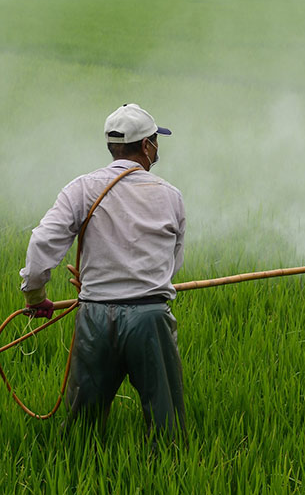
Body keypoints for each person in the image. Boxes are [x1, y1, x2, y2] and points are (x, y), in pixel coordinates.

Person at [19, 103, 186, 439]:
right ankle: (169, 465)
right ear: (146, 145)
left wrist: (36, 296)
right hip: (150, 317)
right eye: (155, 141)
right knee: (167, 424)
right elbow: (172, 263)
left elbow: (42, 242)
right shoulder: (170, 196)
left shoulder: (81, 188)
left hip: (95, 317)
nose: (157, 148)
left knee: (82, 429)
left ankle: (78, 465)